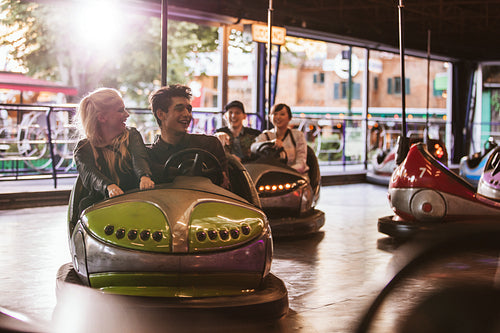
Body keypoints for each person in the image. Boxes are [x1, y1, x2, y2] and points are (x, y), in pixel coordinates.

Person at [73, 88, 155, 209]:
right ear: (101, 118)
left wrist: (144, 176)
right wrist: (108, 186)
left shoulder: (132, 135)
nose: (127, 114)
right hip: (103, 201)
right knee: (85, 205)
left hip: (133, 195)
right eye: (121, 110)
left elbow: (139, 158)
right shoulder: (84, 149)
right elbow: (90, 173)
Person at [147, 84, 230, 188]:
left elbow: (225, 186)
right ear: (161, 114)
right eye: (179, 109)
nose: (187, 114)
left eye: (189, 109)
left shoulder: (210, 145)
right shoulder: (149, 155)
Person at [251, 103, 309, 174]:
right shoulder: (266, 135)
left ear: (289, 118)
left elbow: (301, 164)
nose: (278, 117)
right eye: (275, 114)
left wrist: (284, 171)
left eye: (282, 114)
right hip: (272, 176)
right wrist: (270, 143)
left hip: (294, 174)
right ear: (270, 117)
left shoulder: (297, 135)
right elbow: (253, 147)